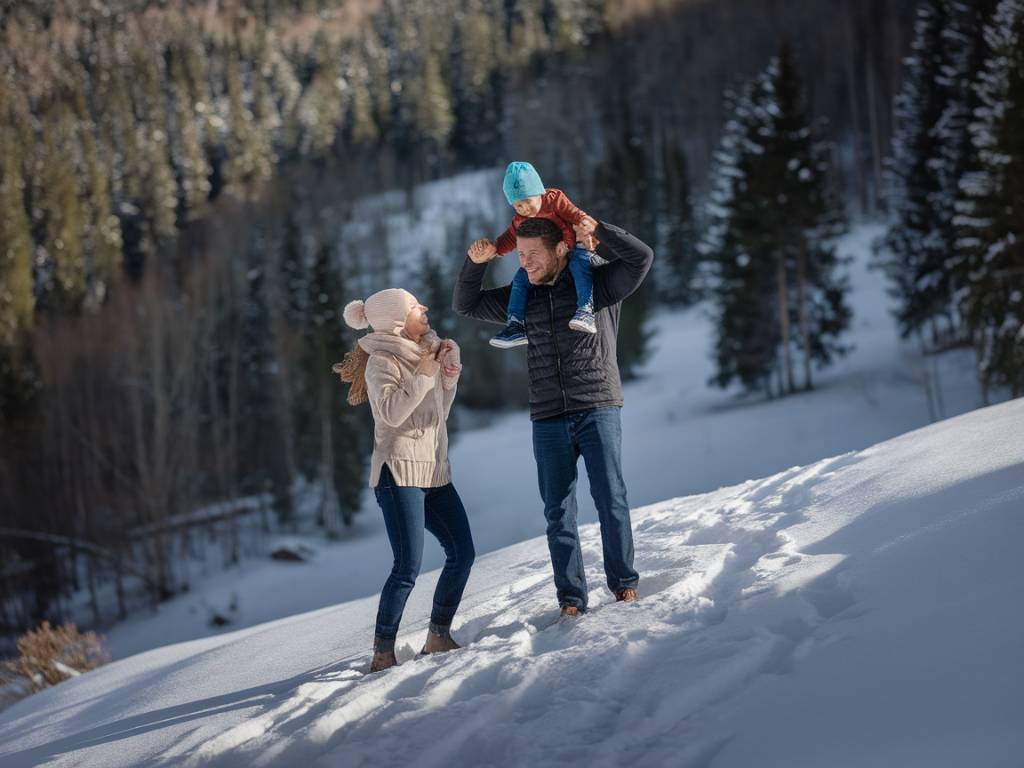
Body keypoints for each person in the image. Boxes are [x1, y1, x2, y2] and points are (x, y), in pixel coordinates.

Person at [454, 216, 653, 616]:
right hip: (547, 416)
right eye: (520, 254)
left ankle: (624, 584)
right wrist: (476, 264)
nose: (523, 262)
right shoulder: (521, 294)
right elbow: (467, 304)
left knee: (610, 498)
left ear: (560, 248)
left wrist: (599, 227)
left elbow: (641, 258)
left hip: (596, 403)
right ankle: (571, 599)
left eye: (532, 254)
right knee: (558, 512)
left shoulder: (596, 284)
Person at [336, 288, 474, 672]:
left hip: (433, 469)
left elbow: (437, 414)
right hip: (398, 474)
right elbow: (393, 414)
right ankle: (382, 654)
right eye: (415, 307)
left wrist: (448, 375)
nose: (424, 309)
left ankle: (438, 636)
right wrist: (427, 373)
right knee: (407, 567)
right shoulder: (381, 361)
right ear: (398, 320)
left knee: (463, 553)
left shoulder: (426, 352)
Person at [478, 161, 600, 348]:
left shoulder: (554, 199)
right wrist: (495, 249)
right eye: (518, 206)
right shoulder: (520, 220)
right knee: (520, 278)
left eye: (527, 202)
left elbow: (573, 213)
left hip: (572, 248)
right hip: (548, 261)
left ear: (539, 192)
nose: (525, 209)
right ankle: (516, 324)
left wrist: (585, 223)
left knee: (580, 265)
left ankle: (585, 309)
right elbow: (510, 238)